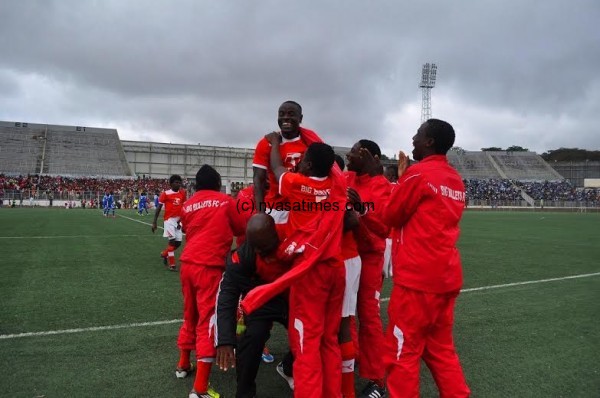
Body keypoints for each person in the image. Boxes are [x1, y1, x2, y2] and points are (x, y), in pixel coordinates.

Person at [382, 119, 470, 397]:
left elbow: (391, 215)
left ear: (429, 141)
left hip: (417, 281)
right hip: (446, 277)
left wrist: (400, 179)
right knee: (441, 350)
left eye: (418, 135)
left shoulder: (417, 174)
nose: (413, 138)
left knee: (402, 352)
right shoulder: (455, 178)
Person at [264, 135, 346, 398]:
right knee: (329, 340)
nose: (298, 163)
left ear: (309, 165)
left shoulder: (297, 184)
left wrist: (275, 143)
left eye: (303, 160)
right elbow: (330, 164)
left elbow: (277, 169)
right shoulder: (337, 186)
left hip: (309, 271)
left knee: (306, 344)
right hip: (336, 269)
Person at [176, 165, 247, 398]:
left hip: (187, 264)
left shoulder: (187, 204)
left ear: (196, 185)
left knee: (191, 314)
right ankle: (200, 388)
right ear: (217, 183)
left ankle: (183, 364)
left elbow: (187, 228)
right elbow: (240, 228)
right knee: (209, 319)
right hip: (210, 266)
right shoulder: (226, 201)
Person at [215, 213, 294, 398]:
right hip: (262, 299)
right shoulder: (242, 258)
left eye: (266, 249)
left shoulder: (293, 241)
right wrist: (225, 340)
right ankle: (244, 393)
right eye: (257, 249)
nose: (262, 255)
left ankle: (288, 367)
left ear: (276, 235)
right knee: (251, 337)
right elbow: (227, 296)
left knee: (312, 335)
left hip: (292, 297)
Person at [345, 140, 392, 398]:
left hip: (370, 258)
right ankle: (354, 358)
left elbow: (384, 228)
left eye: (355, 151)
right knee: (346, 313)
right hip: (347, 256)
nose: (349, 155)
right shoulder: (346, 177)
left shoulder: (383, 187)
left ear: (371, 157)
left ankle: (378, 381)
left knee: (368, 316)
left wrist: (362, 211)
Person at [252, 101, 314, 224]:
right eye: (281, 114)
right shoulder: (266, 143)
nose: (285, 117)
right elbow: (258, 180)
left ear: (300, 118)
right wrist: (260, 214)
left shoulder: (310, 143)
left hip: (302, 208)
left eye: (291, 114)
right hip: (275, 210)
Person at [334, 154, 362, 398]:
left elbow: (352, 220)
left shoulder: (338, 190)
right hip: (345, 260)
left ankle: (346, 390)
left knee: (341, 325)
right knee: (340, 324)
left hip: (342, 261)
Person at [152, 175, 186, 272]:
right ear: (171, 184)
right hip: (169, 220)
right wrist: (154, 222)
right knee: (171, 241)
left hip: (178, 221)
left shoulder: (182, 193)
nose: (178, 184)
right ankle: (172, 264)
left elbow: (184, 207)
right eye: (176, 182)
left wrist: (182, 221)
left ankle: (164, 254)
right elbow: (158, 208)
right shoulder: (165, 194)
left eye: (179, 182)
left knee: (178, 243)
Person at [383, 165, 399, 279]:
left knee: (380, 273)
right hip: (397, 236)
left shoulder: (385, 187)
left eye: (386, 174)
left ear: (391, 176)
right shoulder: (401, 188)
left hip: (385, 234)